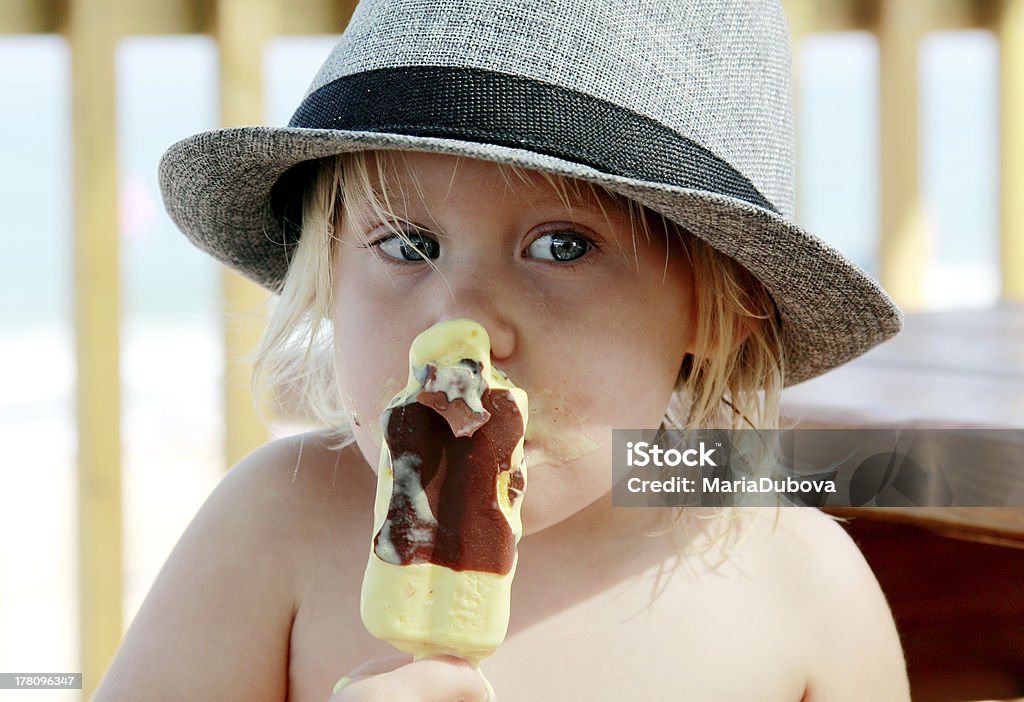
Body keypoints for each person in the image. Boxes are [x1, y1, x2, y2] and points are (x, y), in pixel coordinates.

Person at [94, 0, 911, 699]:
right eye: (408, 244)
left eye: (562, 246)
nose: (464, 326)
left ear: (718, 311)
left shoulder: (808, 595)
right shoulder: (272, 530)